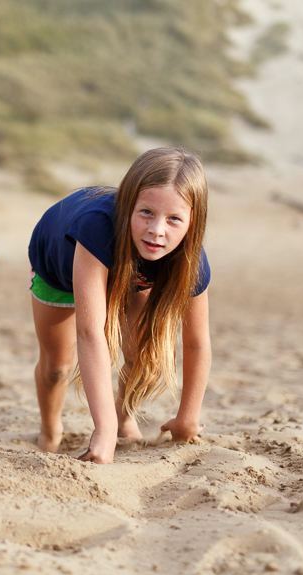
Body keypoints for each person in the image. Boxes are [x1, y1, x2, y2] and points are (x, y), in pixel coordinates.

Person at [27, 148, 211, 464]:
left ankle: (124, 414)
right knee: (57, 366)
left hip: (130, 267)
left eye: (174, 219)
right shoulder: (96, 227)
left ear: (193, 223)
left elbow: (196, 344)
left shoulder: (190, 260)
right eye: (146, 213)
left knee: (142, 352)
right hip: (59, 264)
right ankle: (50, 431)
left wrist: (188, 417)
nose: (157, 230)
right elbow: (90, 333)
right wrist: (104, 429)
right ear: (127, 207)